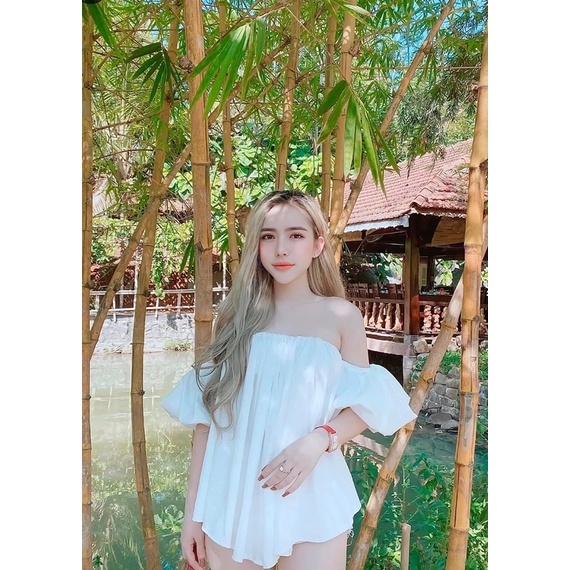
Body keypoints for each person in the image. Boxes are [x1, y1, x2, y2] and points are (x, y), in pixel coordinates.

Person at [162, 190, 417, 570]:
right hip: (231, 500)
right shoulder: (235, 317)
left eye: (296, 235)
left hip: (311, 497)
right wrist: (193, 515)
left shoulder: (340, 316)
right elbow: (207, 422)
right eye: (268, 236)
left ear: (317, 244)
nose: (281, 248)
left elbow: (364, 405)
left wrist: (319, 439)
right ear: (256, 245)